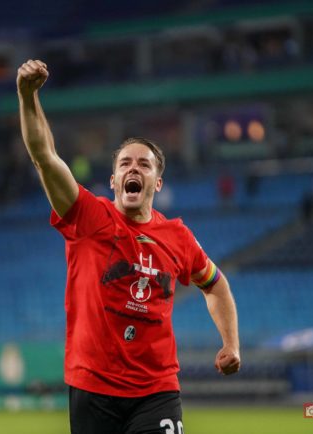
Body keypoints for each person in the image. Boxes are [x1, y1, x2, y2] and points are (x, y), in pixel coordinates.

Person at [17, 59, 241, 434]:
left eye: (144, 164)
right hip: (92, 387)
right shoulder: (88, 217)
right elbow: (44, 157)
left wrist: (231, 343)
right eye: (125, 163)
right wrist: (28, 96)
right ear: (114, 180)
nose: (133, 168)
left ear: (157, 183)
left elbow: (215, 283)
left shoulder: (179, 237)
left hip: (156, 389)